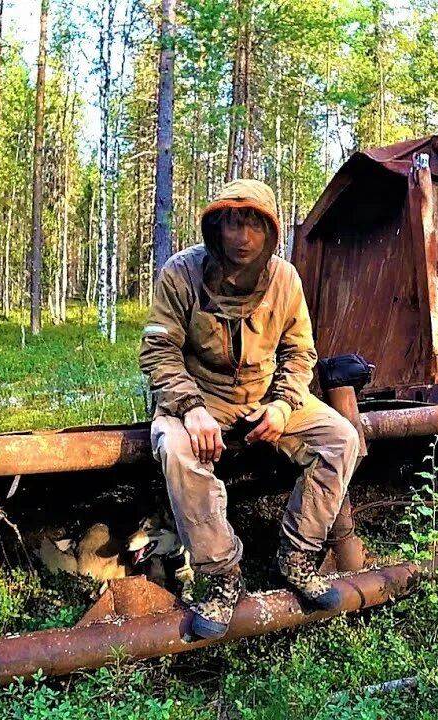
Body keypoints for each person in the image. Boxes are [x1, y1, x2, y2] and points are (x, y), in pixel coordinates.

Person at [139, 178, 361, 639]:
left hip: (264, 396)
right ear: (215, 229)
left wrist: (282, 406)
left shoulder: (285, 279)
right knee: (177, 450)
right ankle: (222, 576)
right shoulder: (181, 273)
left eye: (254, 227)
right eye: (233, 225)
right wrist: (190, 407)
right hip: (198, 397)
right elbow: (158, 352)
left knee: (341, 437)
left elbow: (300, 355)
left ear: (271, 234)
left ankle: (297, 555)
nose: (242, 238)